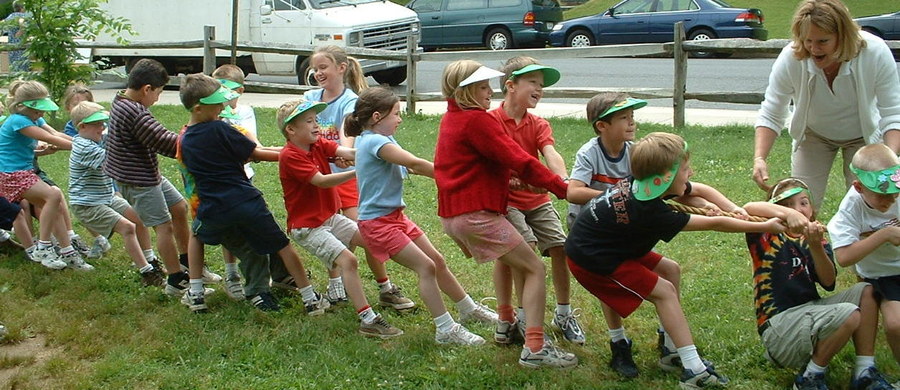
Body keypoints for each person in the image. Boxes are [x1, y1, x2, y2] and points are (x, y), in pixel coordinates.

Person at [566, 132, 785, 387]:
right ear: (665, 178)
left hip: (614, 244)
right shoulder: (650, 211)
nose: (690, 173)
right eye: (685, 168)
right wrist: (765, 225)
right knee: (665, 291)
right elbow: (714, 224)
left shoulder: (645, 184)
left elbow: (699, 191)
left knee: (671, 270)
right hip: (592, 258)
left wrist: (733, 208)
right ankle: (694, 370)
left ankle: (671, 350)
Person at [435, 59, 577, 368]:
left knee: (522, 263)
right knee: (534, 269)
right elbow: (519, 159)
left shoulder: (451, 118)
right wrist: (561, 187)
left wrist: (511, 179)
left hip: (455, 215)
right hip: (475, 215)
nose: (490, 92)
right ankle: (535, 348)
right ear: (467, 89)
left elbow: (474, 166)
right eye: (483, 87)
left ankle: (509, 324)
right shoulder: (479, 120)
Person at [348, 87, 498, 344]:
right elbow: (414, 164)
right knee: (426, 266)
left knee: (436, 260)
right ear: (376, 117)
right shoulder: (374, 141)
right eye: (396, 114)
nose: (400, 118)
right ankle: (445, 329)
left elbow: (411, 168)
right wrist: (456, 178)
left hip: (394, 217)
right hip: (378, 224)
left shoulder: (379, 138)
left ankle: (468, 309)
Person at [178, 74, 325, 313]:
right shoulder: (220, 129)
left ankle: (195, 294)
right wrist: (294, 154)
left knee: (197, 237)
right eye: (217, 104)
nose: (222, 107)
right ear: (198, 108)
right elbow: (255, 153)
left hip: (213, 207)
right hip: (246, 201)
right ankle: (310, 297)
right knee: (282, 245)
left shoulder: (184, 139)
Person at [744, 177, 892, 390]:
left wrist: (815, 246)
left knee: (867, 291)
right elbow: (749, 207)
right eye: (787, 205)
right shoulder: (766, 231)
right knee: (849, 313)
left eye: (803, 203)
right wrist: (789, 215)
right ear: (774, 209)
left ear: (812, 208)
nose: (798, 210)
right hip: (779, 327)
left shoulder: (817, 239)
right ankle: (810, 377)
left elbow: (828, 281)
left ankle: (864, 371)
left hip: (810, 312)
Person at [751, 0, 900, 207]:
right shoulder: (790, 57)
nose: (813, 48)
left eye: (822, 41)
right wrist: (760, 158)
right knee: (801, 202)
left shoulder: (875, 52)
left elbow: (893, 113)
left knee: (867, 205)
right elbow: (772, 111)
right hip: (814, 135)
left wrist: (886, 161)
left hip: (864, 137)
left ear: (843, 36)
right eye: (807, 40)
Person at [276, 97, 400, 336]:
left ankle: (383, 289)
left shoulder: (318, 145)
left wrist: (379, 152)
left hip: (330, 218)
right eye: (309, 121)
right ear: (291, 130)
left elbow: (349, 151)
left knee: (373, 239)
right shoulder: (290, 155)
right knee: (349, 261)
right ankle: (367, 319)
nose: (316, 125)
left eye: (316, 120)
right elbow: (320, 181)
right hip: (308, 227)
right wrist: (360, 170)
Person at [303, 45, 413, 311]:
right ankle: (336, 286)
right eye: (315, 68)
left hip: (347, 179)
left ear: (341, 68)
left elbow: (348, 131)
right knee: (330, 232)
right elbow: (304, 130)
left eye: (323, 67)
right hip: (321, 177)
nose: (318, 73)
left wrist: (345, 152)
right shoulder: (310, 97)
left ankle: (385, 287)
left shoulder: (349, 101)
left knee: (365, 233)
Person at [488, 56, 584, 345]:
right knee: (522, 250)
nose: (539, 89)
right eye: (533, 82)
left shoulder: (538, 123)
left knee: (560, 247)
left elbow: (550, 152)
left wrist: (563, 180)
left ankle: (564, 313)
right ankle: (516, 317)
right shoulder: (491, 121)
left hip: (536, 198)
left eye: (541, 85)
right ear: (510, 85)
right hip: (505, 201)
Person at [104, 58, 213, 296]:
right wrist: (199, 143)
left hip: (147, 173)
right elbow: (163, 140)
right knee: (163, 227)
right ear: (147, 89)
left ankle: (188, 263)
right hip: (138, 180)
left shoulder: (122, 99)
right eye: (159, 93)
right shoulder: (134, 112)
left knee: (179, 208)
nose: (158, 99)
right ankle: (175, 281)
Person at [68, 101, 165, 286]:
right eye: (97, 124)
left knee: (139, 218)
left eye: (104, 122)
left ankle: (150, 259)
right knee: (128, 228)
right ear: (82, 126)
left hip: (106, 197)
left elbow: (113, 140)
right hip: (87, 204)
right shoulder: (83, 147)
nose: (102, 127)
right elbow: (115, 160)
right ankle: (147, 273)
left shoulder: (94, 138)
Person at [828, 143, 900, 372]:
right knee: (896, 325)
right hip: (881, 276)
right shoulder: (851, 208)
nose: (890, 200)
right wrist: (884, 235)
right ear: (858, 187)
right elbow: (843, 256)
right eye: (882, 195)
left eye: (895, 192)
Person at [0, 80, 85, 270]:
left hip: (23, 172)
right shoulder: (18, 120)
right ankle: (43, 246)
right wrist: (85, 148)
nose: (41, 114)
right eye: (37, 109)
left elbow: (56, 133)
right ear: (23, 106)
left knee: (51, 205)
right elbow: (48, 138)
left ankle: (67, 252)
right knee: (53, 195)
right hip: (10, 175)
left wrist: (85, 143)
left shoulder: (33, 118)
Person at [3, 1, 29, 72]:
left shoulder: (9, 17)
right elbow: (22, 23)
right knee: (22, 68)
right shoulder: (23, 16)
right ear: (21, 7)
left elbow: (4, 30)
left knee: (13, 68)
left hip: (11, 46)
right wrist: (20, 31)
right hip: (21, 46)